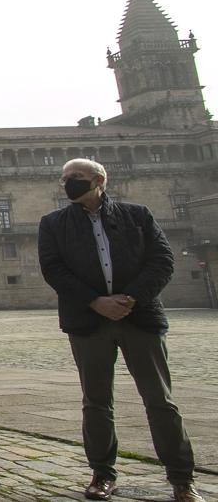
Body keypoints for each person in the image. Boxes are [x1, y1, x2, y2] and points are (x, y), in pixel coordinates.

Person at [39, 159, 204, 502]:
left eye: (76, 178)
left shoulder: (137, 214)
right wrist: (95, 302)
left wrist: (130, 298)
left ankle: (181, 479)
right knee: (96, 402)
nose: (68, 183)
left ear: (99, 179)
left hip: (138, 317)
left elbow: (163, 260)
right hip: (89, 322)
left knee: (160, 401)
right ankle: (102, 475)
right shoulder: (53, 223)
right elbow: (54, 270)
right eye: (64, 179)